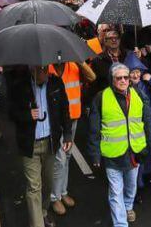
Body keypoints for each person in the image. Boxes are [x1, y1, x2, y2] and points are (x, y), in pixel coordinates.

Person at [88, 63, 151, 227]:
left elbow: (148, 121)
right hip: (112, 154)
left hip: (134, 152)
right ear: (112, 80)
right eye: (118, 78)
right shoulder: (101, 97)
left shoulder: (139, 95)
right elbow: (93, 129)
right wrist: (95, 154)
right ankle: (120, 223)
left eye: (125, 77)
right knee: (115, 192)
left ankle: (128, 207)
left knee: (131, 186)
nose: (122, 80)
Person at [7, 66, 72, 227]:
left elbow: (65, 110)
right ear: (30, 69)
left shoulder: (56, 83)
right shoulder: (19, 86)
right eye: (37, 70)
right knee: (34, 187)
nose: (40, 73)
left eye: (43, 70)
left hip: (50, 143)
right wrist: (26, 115)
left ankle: (43, 211)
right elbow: (10, 112)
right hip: (30, 146)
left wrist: (68, 134)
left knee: (48, 183)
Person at [48, 59, 95, 216]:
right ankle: (54, 197)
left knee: (66, 157)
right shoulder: (47, 68)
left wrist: (80, 61)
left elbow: (92, 77)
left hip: (73, 117)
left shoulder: (74, 65)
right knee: (59, 159)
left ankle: (62, 192)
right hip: (55, 120)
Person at [124, 53, 151, 200]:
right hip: (133, 128)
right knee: (136, 159)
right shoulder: (124, 87)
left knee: (149, 155)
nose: (136, 74)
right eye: (132, 71)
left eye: (138, 71)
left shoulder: (146, 83)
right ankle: (136, 188)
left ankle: (145, 179)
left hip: (148, 124)